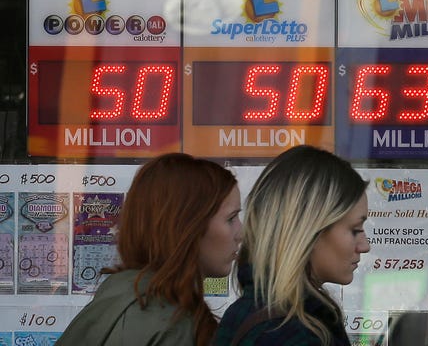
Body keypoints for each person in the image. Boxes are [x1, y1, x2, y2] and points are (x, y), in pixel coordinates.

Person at [56, 153, 242, 346]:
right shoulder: (172, 323)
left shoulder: (115, 298)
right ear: (187, 227)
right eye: (231, 218)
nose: (241, 233)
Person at [214, 145, 370, 346]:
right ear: (308, 231)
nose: (364, 246)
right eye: (355, 230)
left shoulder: (246, 313)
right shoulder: (291, 334)